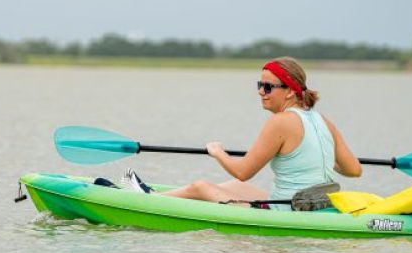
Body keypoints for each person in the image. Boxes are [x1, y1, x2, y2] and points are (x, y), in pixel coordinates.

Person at [121, 57, 362, 210]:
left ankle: (143, 202)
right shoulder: (324, 121)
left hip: (288, 211)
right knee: (233, 185)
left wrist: (218, 153)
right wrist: (320, 157)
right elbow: (354, 169)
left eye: (268, 87)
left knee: (201, 187)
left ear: (289, 92)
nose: (261, 92)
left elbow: (244, 171)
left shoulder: (280, 122)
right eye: (260, 85)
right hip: (316, 205)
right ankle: (151, 194)